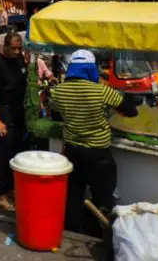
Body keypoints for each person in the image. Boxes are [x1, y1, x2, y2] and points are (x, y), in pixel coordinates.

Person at [51, 50, 140, 235]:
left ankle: (72, 231)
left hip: (72, 153)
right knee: (102, 197)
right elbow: (131, 111)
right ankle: (99, 234)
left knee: (73, 195)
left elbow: (57, 115)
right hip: (98, 154)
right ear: (91, 69)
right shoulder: (102, 91)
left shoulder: (59, 91)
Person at [0, 32, 27, 212]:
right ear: (5, 47)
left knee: (16, 155)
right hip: (3, 115)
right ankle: (1, 195)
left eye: (19, 48)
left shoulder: (20, 60)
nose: (17, 51)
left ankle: (12, 190)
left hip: (18, 114)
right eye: (14, 48)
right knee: (3, 157)